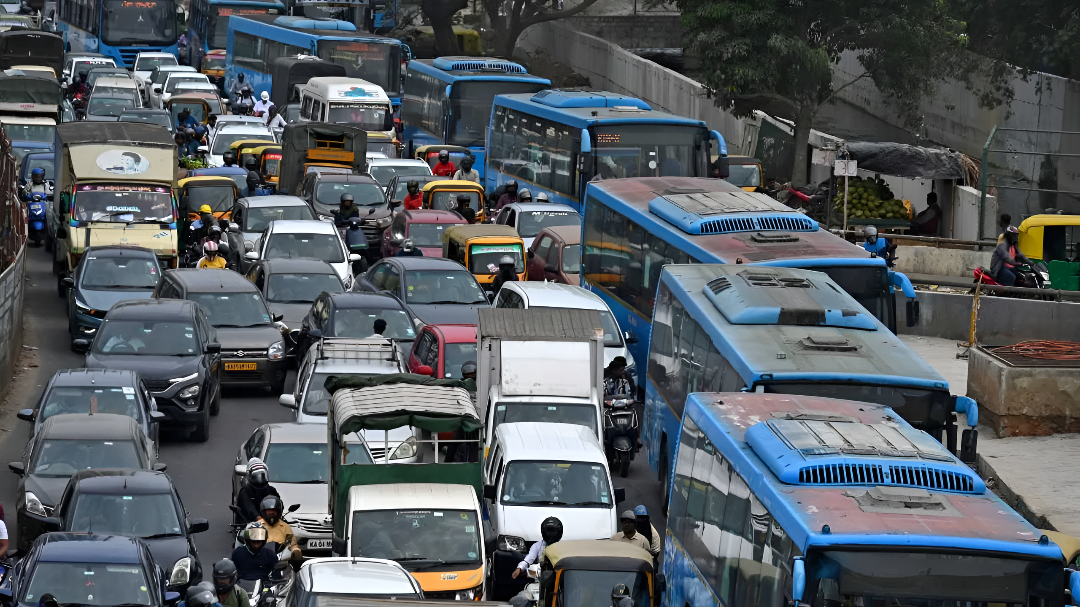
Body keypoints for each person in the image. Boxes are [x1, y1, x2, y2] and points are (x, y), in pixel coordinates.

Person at [235, 457, 281, 524]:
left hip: (270, 523)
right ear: (250, 475)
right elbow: (249, 507)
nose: (259, 479)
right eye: (256, 476)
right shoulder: (245, 491)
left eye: (262, 475)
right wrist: (258, 518)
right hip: (248, 525)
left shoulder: (271, 490)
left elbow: (278, 504)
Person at [256, 495, 301, 562]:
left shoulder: (285, 527)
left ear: (279, 512)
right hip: (261, 558)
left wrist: (296, 551)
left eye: (274, 510)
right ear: (264, 511)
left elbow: (293, 544)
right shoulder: (256, 526)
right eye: (269, 510)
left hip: (281, 559)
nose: (271, 513)